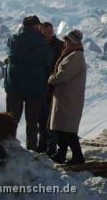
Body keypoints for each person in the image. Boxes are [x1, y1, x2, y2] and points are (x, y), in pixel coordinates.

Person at [5, 16, 53, 151]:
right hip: (34, 87)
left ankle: (10, 149)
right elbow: (48, 59)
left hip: (14, 86)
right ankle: (31, 150)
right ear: (36, 26)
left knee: (11, 121)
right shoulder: (41, 42)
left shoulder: (13, 39)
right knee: (32, 124)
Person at [48, 29, 86, 165]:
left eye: (66, 41)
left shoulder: (75, 56)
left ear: (72, 42)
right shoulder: (73, 54)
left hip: (69, 97)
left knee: (68, 130)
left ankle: (77, 157)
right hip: (66, 96)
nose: (64, 43)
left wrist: (51, 78)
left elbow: (63, 74)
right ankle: (61, 153)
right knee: (63, 129)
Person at [37, 22, 64, 154]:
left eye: (50, 32)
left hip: (53, 87)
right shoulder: (37, 45)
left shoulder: (59, 46)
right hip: (39, 87)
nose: (48, 35)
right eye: (45, 33)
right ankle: (42, 144)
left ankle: (52, 146)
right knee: (41, 119)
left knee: (51, 119)